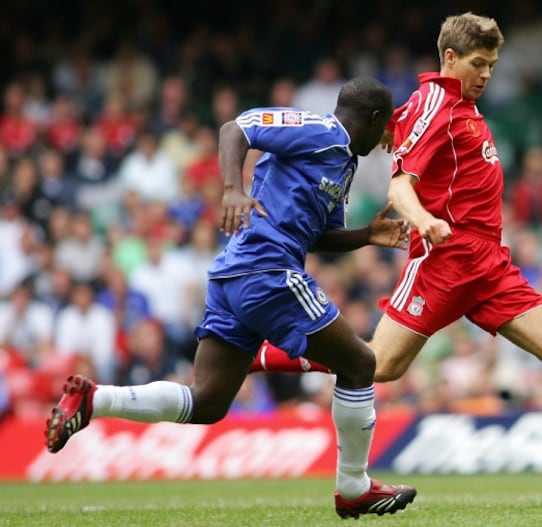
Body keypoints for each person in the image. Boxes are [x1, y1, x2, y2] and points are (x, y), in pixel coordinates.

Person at [250, 12, 542, 494]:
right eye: (478, 63)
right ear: (450, 58)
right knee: (378, 365)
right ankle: (258, 353)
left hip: (489, 266)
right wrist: (421, 218)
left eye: (492, 65)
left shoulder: (458, 105)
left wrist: (391, 132)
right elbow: (401, 182)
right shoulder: (437, 103)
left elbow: (398, 131)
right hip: (443, 264)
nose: (487, 74)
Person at [43, 76, 417, 519]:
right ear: (374, 119)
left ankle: (93, 399)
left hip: (236, 277)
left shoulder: (342, 165)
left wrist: (366, 236)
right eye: (385, 128)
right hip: (266, 270)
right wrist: (231, 188)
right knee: (360, 363)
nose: (384, 141)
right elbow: (235, 129)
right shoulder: (319, 130)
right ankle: (353, 486)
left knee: (206, 402)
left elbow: (319, 236)